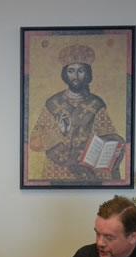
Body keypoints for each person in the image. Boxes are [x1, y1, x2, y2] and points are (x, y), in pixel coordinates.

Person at [29, 44, 126, 182]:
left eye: (81, 71)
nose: (75, 76)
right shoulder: (53, 104)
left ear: (87, 74)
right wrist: (58, 133)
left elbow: (108, 135)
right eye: (71, 71)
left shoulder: (96, 104)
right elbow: (34, 143)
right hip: (58, 170)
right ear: (65, 74)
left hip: (89, 171)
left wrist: (115, 143)